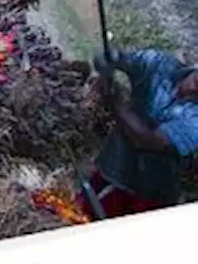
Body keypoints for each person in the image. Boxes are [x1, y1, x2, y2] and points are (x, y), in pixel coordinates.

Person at [76, 48, 198, 219]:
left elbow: (146, 139)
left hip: (146, 197)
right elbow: (116, 58)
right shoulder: (159, 63)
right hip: (112, 168)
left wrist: (116, 104)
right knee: (75, 215)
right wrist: (107, 62)